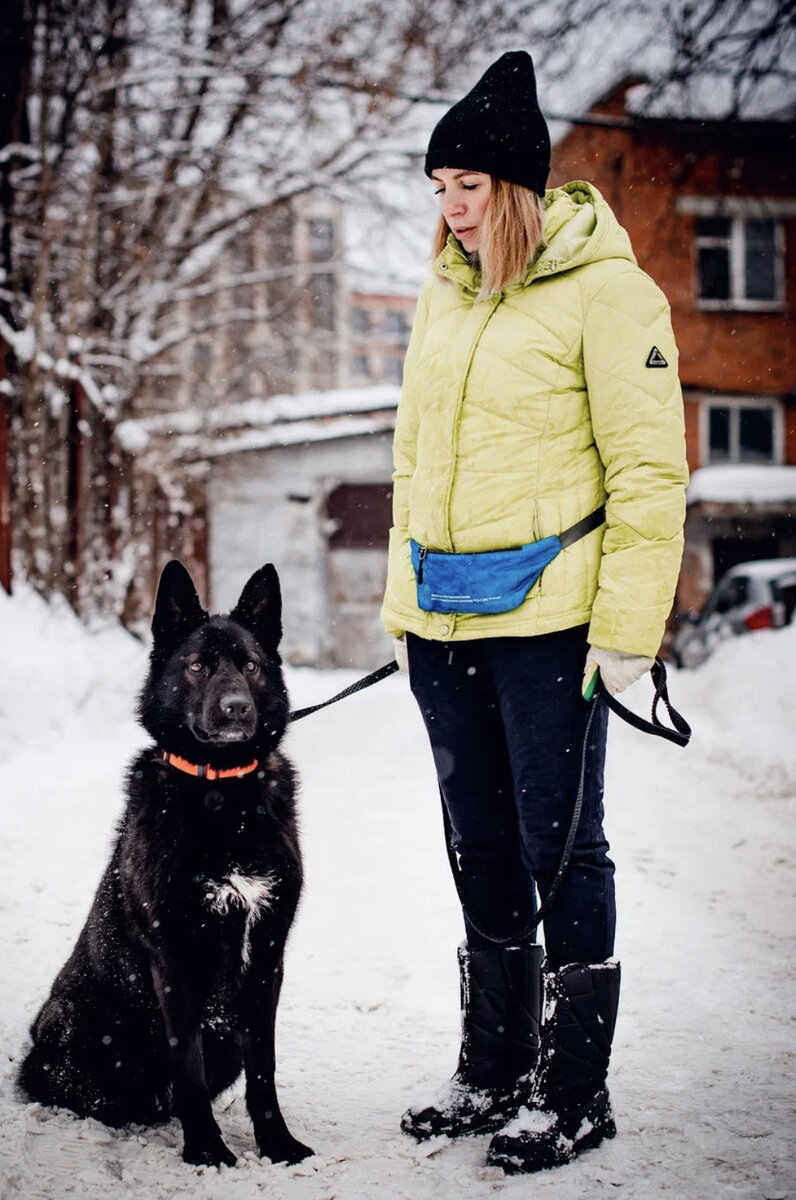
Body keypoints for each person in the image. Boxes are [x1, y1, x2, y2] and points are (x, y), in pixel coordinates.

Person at [381, 50, 688, 1173]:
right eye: (438, 190)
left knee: (565, 850)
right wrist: (400, 602)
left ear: (514, 188)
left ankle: (573, 1092)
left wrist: (626, 630)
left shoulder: (610, 293)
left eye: (467, 187)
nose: (452, 212)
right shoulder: (446, 296)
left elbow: (652, 470)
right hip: (445, 622)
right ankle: (492, 1070)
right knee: (481, 848)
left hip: (555, 623)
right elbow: (414, 460)